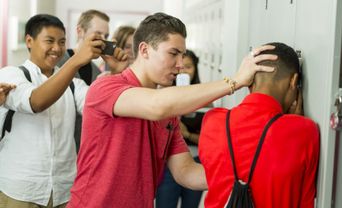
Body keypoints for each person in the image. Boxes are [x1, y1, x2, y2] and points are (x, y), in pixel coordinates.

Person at [67, 12, 277, 208]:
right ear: (144, 50)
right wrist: (235, 82)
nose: (180, 64)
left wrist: (248, 173)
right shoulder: (106, 87)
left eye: (182, 55)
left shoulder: (169, 114)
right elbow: (156, 105)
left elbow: (186, 172)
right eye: (173, 54)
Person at [0, 14, 127, 208]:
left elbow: (105, 108)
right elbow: (36, 102)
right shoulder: (12, 74)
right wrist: (76, 60)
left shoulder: (75, 85)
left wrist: (119, 73)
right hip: (20, 191)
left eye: (61, 42)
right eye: (49, 41)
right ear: (29, 41)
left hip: (63, 190)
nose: (57, 49)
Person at [198, 42, 320, 208]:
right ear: (294, 81)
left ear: (248, 81)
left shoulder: (212, 121)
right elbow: (305, 202)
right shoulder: (305, 131)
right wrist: (294, 124)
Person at [57, 9, 128, 152]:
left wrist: (116, 73)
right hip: (59, 148)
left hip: (85, 149)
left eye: (106, 35)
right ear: (80, 31)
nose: (103, 40)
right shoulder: (58, 62)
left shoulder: (97, 71)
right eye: (98, 34)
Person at [156, 49, 204, 208]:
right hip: (168, 162)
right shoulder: (163, 96)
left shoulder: (205, 99)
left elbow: (207, 139)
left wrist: (187, 134)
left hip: (196, 160)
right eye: (181, 67)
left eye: (189, 67)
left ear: (196, 69)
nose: (184, 71)